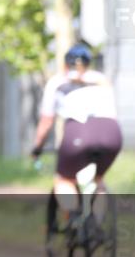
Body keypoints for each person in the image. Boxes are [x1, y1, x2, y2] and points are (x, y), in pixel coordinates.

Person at [31, 43, 122, 218]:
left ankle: (73, 219)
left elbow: (46, 121)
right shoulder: (102, 80)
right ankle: (98, 224)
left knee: (64, 180)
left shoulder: (58, 82)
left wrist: (37, 147)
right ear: (88, 64)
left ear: (65, 64)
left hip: (78, 132)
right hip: (112, 133)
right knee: (98, 179)